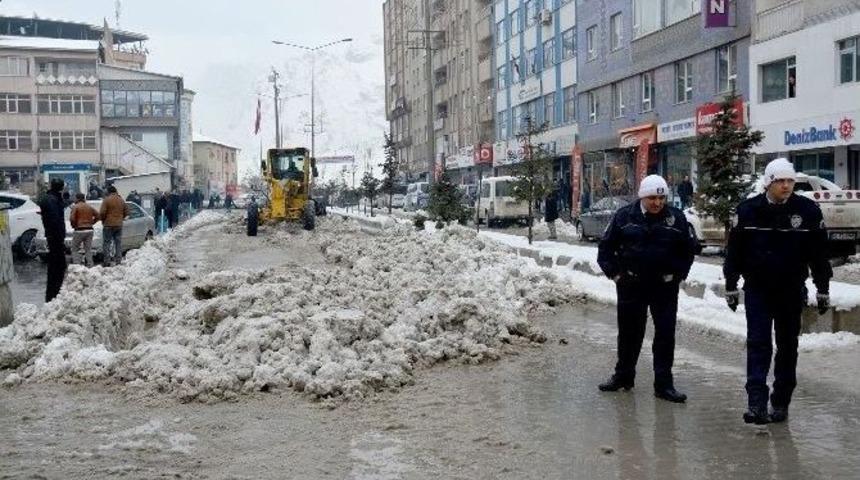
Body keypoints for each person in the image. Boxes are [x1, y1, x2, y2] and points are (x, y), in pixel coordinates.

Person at [723, 158, 831, 425]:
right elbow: (734, 253)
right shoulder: (748, 211)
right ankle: (757, 403)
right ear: (769, 183)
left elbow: (818, 254)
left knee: (787, 347)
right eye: (780, 181)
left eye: (790, 181)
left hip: (791, 290)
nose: (786, 186)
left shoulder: (807, 211)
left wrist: (822, 288)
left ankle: (780, 401)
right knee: (758, 344)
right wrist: (731, 285)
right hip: (759, 289)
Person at [597, 174, 697, 403]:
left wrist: (679, 275)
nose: (657, 203)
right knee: (630, 334)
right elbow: (605, 249)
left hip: (664, 287)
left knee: (664, 334)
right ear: (643, 197)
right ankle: (623, 377)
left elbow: (688, 251)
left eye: (661, 198)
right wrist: (617, 275)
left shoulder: (676, 218)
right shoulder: (624, 217)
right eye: (652, 198)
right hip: (632, 286)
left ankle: (664, 384)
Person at [39, 178, 68, 301]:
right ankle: (54, 294)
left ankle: (53, 293)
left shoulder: (50, 198)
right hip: (55, 236)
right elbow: (55, 219)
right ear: (61, 187)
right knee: (57, 266)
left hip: (52, 235)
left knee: (56, 266)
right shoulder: (53, 200)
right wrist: (60, 237)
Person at [99, 185, 129, 266]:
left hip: (108, 225)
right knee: (118, 243)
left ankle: (107, 261)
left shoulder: (106, 200)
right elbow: (127, 212)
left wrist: (103, 220)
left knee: (107, 243)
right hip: (119, 225)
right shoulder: (121, 200)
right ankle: (118, 261)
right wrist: (120, 218)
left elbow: (102, 212)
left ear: (108, 192)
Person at [69, 193, 99, 267]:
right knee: (88, 249)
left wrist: (74, 225)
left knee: (75, 248)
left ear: (77, 198)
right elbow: (98, 215)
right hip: (89, 230)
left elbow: (72, 218)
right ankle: (90, 264)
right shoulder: (89, 207)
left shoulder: (75, 207)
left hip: (79, 230)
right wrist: (92, 222)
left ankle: (76, 265)